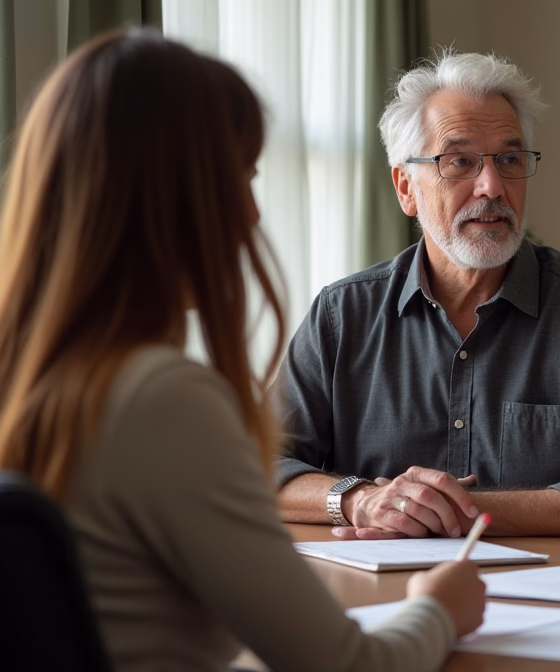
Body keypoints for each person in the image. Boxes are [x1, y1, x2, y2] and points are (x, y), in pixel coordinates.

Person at [0, 31, 484, 672]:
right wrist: (440, 605)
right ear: (174, 195)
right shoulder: (163, 399)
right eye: (243, 177)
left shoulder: (33, 378)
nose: (254, 213)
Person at [273, 50, 560, 540]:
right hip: (377, 594)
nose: (492, 186)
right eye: (459, 161)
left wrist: (452, 510)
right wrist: (362, 500)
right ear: (406, 188)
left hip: (545, 596)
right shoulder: (342, 315)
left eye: (509, 159)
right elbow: (259, 468)